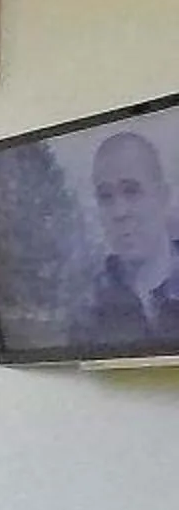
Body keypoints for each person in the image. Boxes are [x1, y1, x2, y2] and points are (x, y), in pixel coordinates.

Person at [81, 129, 179, 347]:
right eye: (106, 196)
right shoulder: (88, 311)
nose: (119, 212)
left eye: (132, 191)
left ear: (163, 197)